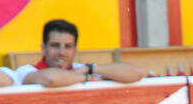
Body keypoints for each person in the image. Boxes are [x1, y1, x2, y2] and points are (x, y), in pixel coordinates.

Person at [12, 18, 148, 86]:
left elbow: (137, 73)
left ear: (75, 50)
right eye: (55, 45)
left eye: (68, 46)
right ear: (43, 48)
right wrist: (87, 78)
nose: (61, 52)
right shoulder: (26, 70)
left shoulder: (82, 69)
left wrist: (91, 68)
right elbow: (51, 78)